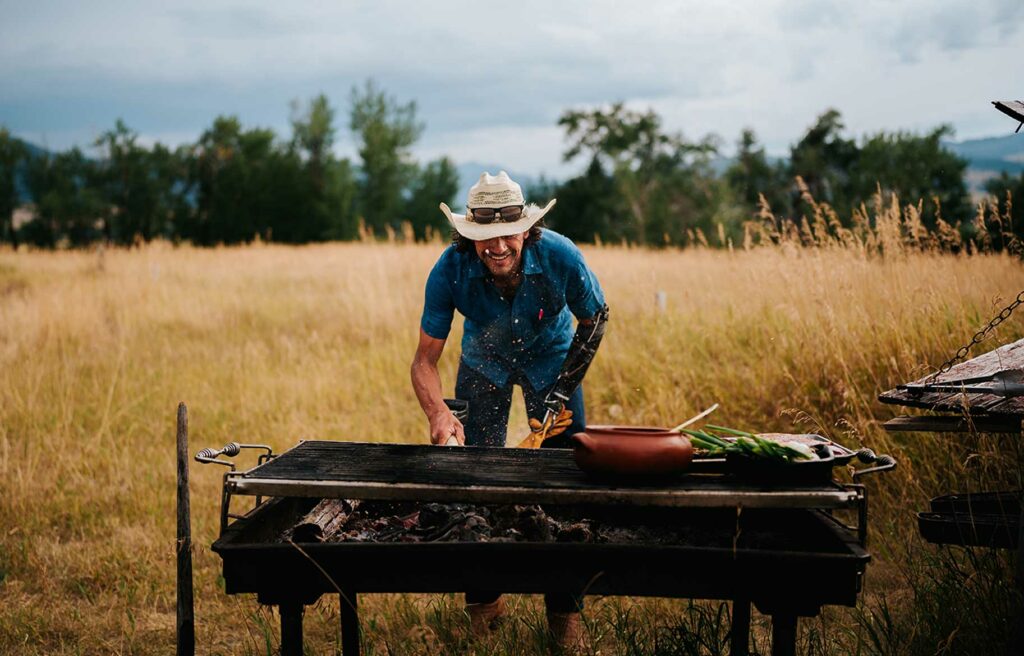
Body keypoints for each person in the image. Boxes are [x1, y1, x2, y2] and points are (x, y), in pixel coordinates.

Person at [410, 171, 609, 651]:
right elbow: (423, 362)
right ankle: (485, 608)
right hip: (484, 364)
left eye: (507, 235)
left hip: (553, 361)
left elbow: (596, 317)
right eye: (483, 237)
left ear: (527, 229)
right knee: (475, 483)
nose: (497, 246)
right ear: (467, 236)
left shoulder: (561, 255)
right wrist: (438, 413)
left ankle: (565, 615)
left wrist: (563, 391)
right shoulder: (449, 268)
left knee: (566, 487)